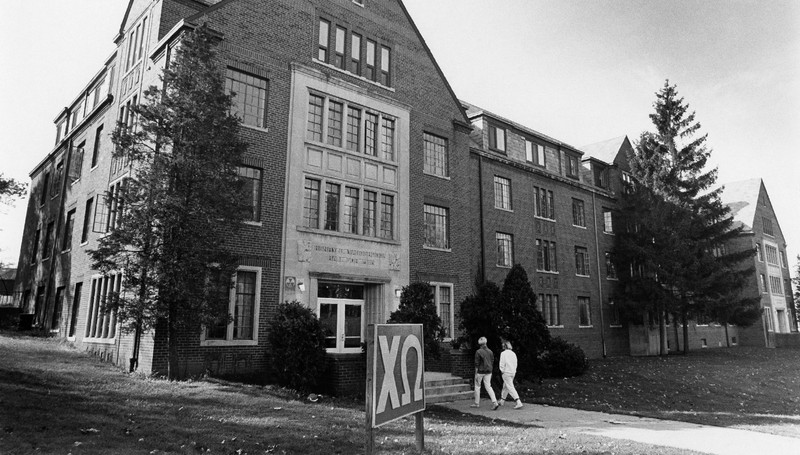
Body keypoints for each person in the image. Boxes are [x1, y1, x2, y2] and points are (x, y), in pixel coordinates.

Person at [470, 336, 499, 410]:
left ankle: (477, 403)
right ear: (486, 343)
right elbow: (492, 361)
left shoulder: (478, 352)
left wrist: (476, 373)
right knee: (488, 387)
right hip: (489, 371)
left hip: (480, 371)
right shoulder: (490, 351)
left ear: (480, 344)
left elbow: (477, 363)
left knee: (477, 386)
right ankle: (495, 402)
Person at [498, 340, 523, 409]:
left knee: (510, 387)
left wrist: (502, 371)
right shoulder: (513, 353)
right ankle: (502, 400)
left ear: (504, 346)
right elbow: (515, 363)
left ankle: (518, 401)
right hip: (512, 372)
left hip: (506, 372)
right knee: (506, 386)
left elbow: (502, 363)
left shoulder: (503, 353)